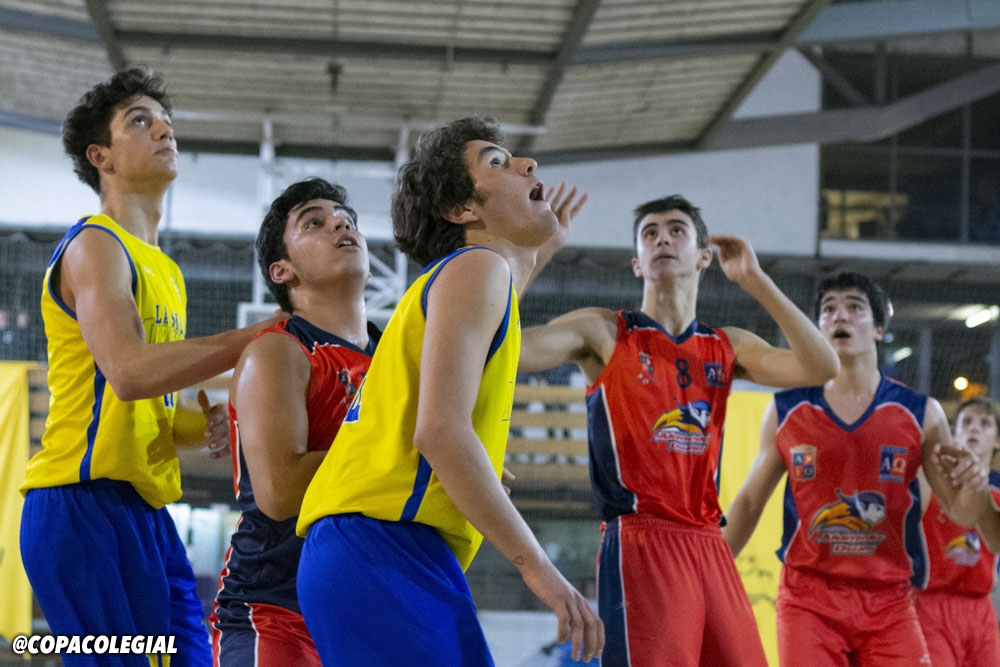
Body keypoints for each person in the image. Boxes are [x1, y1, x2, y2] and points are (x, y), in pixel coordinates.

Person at [295, 116, 604, 665]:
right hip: (381, 544)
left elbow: (490, 321)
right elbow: (440, 432)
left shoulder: (465, 278)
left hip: (374, 547)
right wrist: (537, 566)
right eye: (497, 162)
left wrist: (540, 247)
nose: (527, 163)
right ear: (461, 209)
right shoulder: (475, 269)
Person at [19, 67, 279, 666]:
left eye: (166, 122)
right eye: (141, 121)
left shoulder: (166, 270)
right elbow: (130, 372)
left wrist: (197, 426)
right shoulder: (95, 245)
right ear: (101, 157)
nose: (164, 130)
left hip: (146, 511)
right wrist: (253, 338)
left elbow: (143, 401)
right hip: (80, 503)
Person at [517, 194, 840, 666]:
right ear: (637, 263)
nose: (662, 239)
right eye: (649, 233)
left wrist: (756, 280)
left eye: (676, 230)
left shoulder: (727, 345)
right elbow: (500, 345)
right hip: (641, 539)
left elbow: (822, 366)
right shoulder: (604, 333)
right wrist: (537, 252)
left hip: (709, 542)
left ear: (704, 257)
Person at [723, 271, 993, 666]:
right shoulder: (786, 411)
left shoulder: (921, 413)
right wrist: (708, 569)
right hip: (809, 598)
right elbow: (748, 503)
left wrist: (976, 487)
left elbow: (961, 512)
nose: (840, 316)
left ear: (880, 328)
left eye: (854, 307)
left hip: (889, 599)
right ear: (817, 328)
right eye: (829, 310)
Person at [208, 178, 380, 665]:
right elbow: (281, 491)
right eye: (314, 222)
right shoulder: (278, 351)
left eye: (345, 218)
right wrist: (416, 453)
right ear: (282, 270)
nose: (340, 224)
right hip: (276, 609)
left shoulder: (392, 357)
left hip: (368, 606)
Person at [914, 396, 1000, 666]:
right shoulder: (928, 484)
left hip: (982, 607)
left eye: (985, 423)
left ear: (997, 440)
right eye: (967, 422)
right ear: (952, 432)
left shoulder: (997, 497)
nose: (974, 428)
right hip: (931, 606)